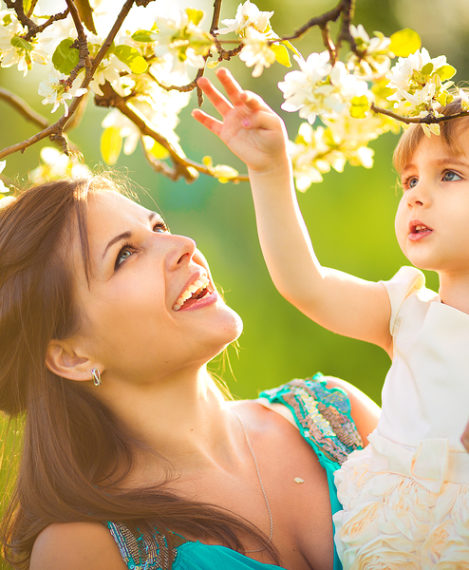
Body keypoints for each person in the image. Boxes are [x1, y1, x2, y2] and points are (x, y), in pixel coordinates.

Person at [0, 175, 382, 570]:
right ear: (72, 357)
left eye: (159, 227)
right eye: (125, 254)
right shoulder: (80, 550)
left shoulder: (338, 414)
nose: (185, 246)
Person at [193, 69, 469, 567]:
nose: (416, 195)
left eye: (449, 174)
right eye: (409, 180)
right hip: (394, 545)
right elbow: (306, 284)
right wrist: (271, 170)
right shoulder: (404, 312)